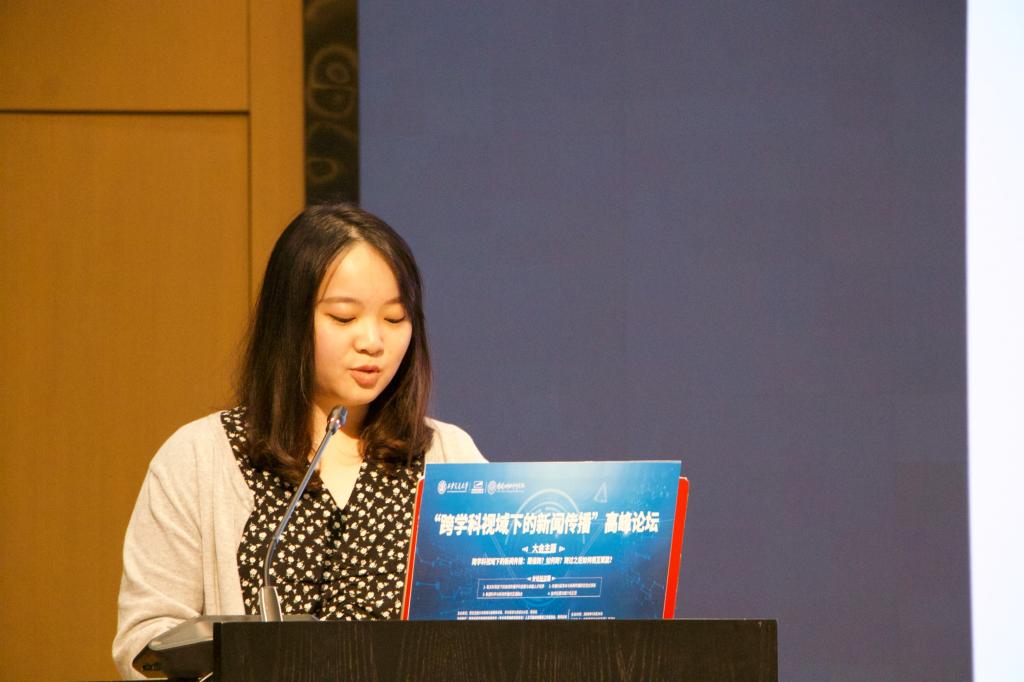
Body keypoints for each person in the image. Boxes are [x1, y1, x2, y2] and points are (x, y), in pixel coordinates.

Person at [112, 204, 485, 679]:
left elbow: (502, 619)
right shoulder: (199, 458)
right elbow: (146, 640)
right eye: (344, 317)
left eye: (395, 319)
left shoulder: (447, 456)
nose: (373, 341)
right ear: (288, 319)